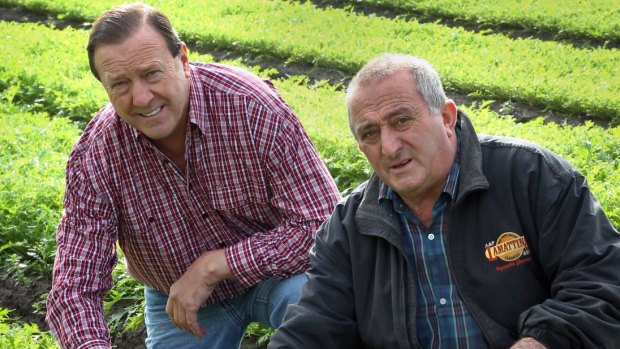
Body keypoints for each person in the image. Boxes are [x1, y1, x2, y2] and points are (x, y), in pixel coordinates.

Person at [268, 54, 620, 349]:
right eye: (371, 133)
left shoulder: (532, 176)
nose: (389, 147)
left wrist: (540, 341)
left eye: (401, 120)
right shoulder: (347, 228)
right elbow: (313, 327)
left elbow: (601, 281)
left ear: (446, 117)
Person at [45, 3, 341, 349]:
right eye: (120, 84)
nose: (141, 97)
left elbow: (322, 226)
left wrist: (218, 264)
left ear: (183, 59)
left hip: (279, 277)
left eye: (152, 73)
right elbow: (74, 288)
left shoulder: (249, 107)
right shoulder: (97, 155)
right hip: (179, 301)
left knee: (329, 314)